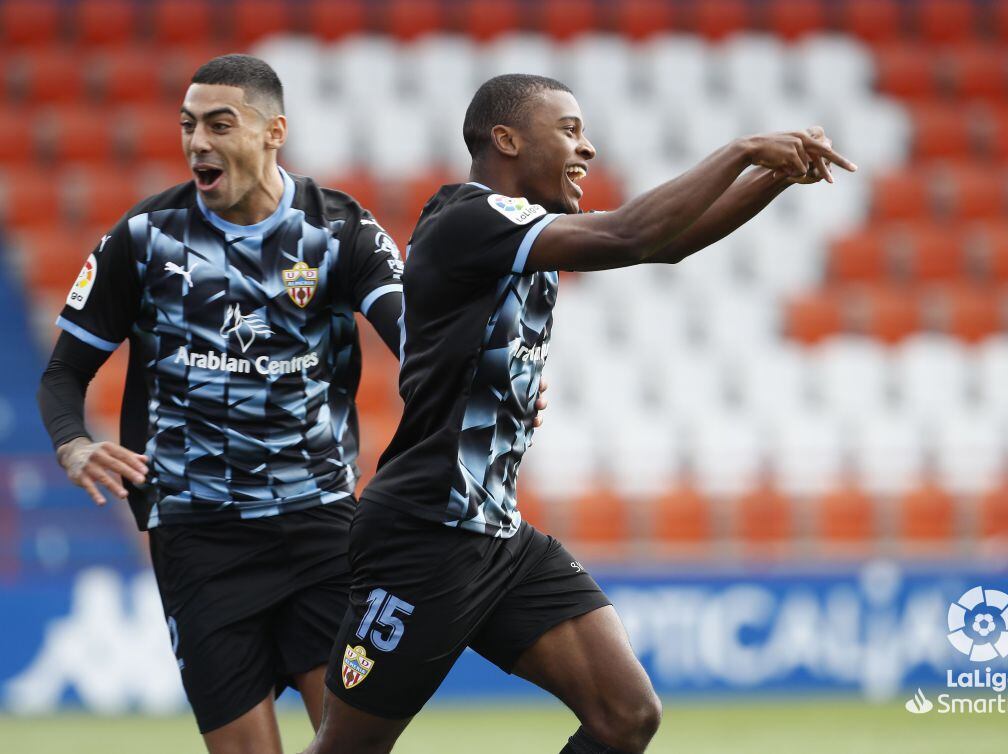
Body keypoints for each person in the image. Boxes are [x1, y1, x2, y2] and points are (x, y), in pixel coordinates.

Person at [304, 73, 856, 754]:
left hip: (495, 534)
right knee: (348, 750)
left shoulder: (523, 237)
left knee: (627, 715)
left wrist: (776, 178)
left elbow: (666, 245)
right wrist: (744, 150)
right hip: (420, 535)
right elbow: (630, 234)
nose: (587, 148)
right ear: (505, 140)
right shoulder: (468, 219)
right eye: (569, 129)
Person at [37, 54, 410, 754]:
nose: (197, 142)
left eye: (218, 124)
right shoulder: (146, 237)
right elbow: (63, 376)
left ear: (275, 132)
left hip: (321, 527)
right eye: (188, 126)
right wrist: (74, 443)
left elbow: (416, 341)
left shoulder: (338, 230)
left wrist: (483, 382)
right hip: (197, 537)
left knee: (355, 743)